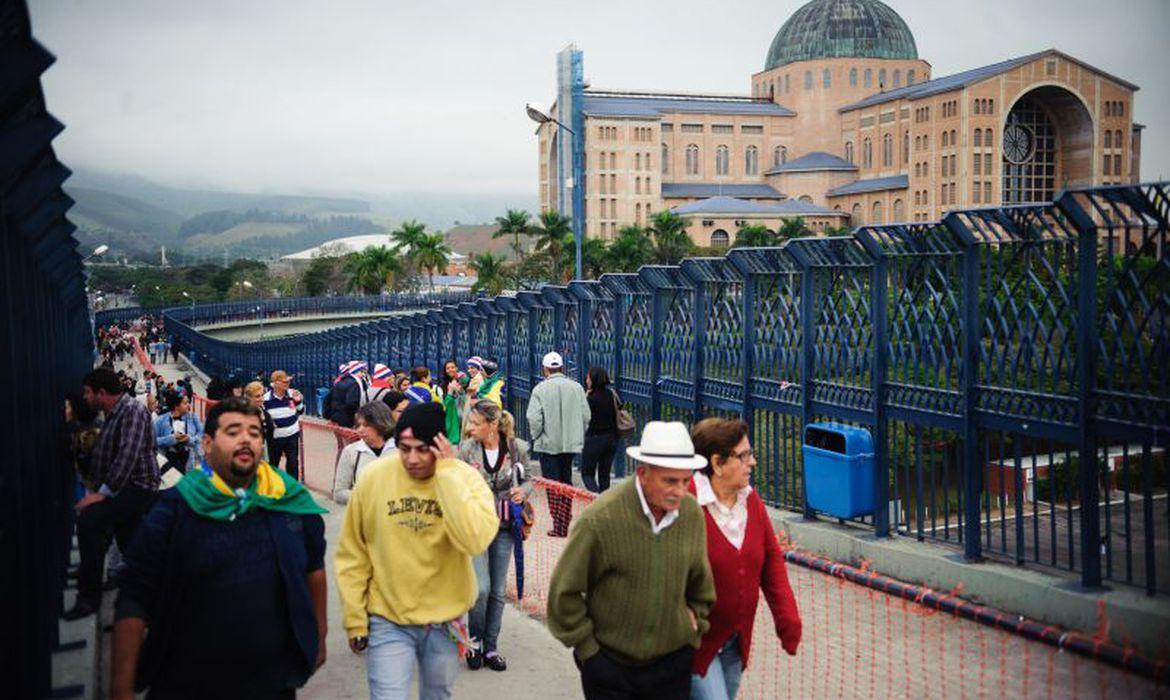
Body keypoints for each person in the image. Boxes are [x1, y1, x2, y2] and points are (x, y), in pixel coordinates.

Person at [110, 398, 329, 699]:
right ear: (208, 444)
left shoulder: (288, 500)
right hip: (187, 681)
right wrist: (121, 688)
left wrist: (319, 633)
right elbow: (135, 593)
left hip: (273, 682)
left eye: (254, 433)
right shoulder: (174, 508)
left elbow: (314, 568)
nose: (246, 439)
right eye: (234, 431)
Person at [335, 402, 498, 700]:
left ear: (440, 444)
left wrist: (447, 475)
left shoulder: (464, 478)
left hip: (445, 620)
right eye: (404, 448)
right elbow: (353, 553)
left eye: (422, 449)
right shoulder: (374, 479)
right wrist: (355, 617)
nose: (411, 458)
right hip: (388, 618)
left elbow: (474, 541)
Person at [547, 421, 716, 700]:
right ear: (642, 473)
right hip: (611, 668)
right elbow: (564, 593)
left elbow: (701, 583)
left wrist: (693, 629)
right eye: (670, 481)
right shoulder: (601, 518)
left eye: (686, 481)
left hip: (672, 666)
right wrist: (589, 651)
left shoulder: (691, 515)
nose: (679, 491)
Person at [688, 418, 802, 700]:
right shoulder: (687, 503)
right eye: (744, 455)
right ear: (717, 463)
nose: (752, 462)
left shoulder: (751, 501)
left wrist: (787, 618)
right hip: (695, 642)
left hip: (736, 640)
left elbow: (772, 562)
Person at [64, 368, 161, 621]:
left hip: (137, 486)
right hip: (125, 486)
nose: (84, 398)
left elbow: (127, 455)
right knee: (130, 540)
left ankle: (89, 597)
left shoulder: (132, 411)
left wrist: (102, 494)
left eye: (87, 392)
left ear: (102, 392)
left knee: (90, 521)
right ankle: (150, 595)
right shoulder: (114, 413)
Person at [457, 402, 532, 672]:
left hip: (504, 527)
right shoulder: (466, 450)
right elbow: (456, 482)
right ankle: (473, 643)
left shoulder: (517, 448)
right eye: (470, 422)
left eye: (475, 423)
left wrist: (523, 492)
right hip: (477, 527)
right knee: (481, 589)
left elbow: (529, 479)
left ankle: (490, 648)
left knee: (498, 591)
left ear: (492, 425)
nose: (469, 428)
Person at [525, 352, 590, 537]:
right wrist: (577, 433)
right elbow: (586, 415)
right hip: (570, 444)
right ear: (562, 367)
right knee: (566, 481)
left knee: (552, 484)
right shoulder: (577, 388)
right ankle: (565, 519)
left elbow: (534, 418)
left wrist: (536, 436)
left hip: (547, 444)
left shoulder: (540, 389)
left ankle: (558, 522)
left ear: (545, 368)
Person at [332, 401, 396, 505]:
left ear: (381, 424)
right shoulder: (351, 452)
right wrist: (366, 497)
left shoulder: (401, 450)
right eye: (358, 425)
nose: (360, 430)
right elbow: (339, 493)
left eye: (366, 425)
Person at [582, 367, 619, 493]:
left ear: (593, 379)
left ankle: (596, 498)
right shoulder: (611, 394)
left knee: (587, 474)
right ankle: (604, 500)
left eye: (588, 378)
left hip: (594, 439)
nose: (586, 380)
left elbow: (583, 415)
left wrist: (586, 395)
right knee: (604, 474)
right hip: (611, 438)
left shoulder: (590, 398)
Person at [264, 370, 306, 481]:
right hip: (275, 438)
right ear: (275, 383)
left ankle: (293, 489)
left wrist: (298, 402)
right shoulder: (266, 399)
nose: (287, 384)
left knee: (293, 463)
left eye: (288, 381)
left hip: (292, 435)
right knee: (273, 464)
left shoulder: (293, 394)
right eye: (284, 382)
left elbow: (301, 411)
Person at [153, 391, 204, 475]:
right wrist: (171, 439)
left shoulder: (193, 417)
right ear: (176, 406)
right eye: (185, 403)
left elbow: (202, 435)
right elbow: (151, 440)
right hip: (168, 466)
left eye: (188, 402)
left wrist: (190, 439)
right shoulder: (160, 420)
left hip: (190, 465)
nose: (189, 405)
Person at [324, 362, 364, 428]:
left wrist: (329, 415)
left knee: (342, 437)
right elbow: (352, 403)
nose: (363, 374)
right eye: (361, 372)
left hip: (337, 417)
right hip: (348, 420)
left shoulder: (340, 382)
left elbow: (328, 399)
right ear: (356, 371)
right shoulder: (354, 384)